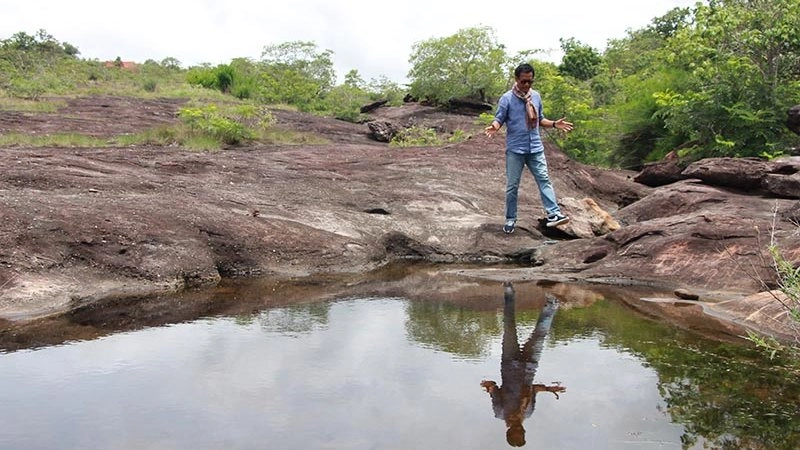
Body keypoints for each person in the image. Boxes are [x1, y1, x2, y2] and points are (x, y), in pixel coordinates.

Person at [485, 63, 574, 234]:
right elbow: (500, 118)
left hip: (535, 147)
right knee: (512, 186)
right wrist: (494, 127)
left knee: (544, 180)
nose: (526, 85)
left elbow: (540, 119)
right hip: (515, 149)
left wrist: (555, 124)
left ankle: (554, 214)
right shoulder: (507, 98)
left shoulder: (536, 97)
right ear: (516, 79)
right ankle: (510, 218)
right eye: (523, 82)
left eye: (530, 82)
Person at [481, 282, 565, 447]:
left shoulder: (500, 412)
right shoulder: (528, 412)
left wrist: (488, 386)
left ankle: (509, 292)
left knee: (509, 327)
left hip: (509, 363)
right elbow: (533, 389)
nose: (520, 430)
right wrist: (549, 389)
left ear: (509, 431)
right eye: (522, 432)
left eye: (516, 432)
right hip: (530, 366)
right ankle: (552, 301)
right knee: (540, 334)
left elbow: (494, 387)